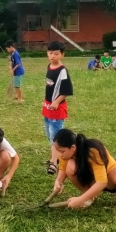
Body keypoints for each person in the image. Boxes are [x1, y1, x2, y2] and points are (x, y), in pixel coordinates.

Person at [51, 129, 116, 211]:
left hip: (109, 179)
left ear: (73, 147)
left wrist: (80, 200)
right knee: (70, 165)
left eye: (62, 151)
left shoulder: (93, 151)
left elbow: (102, 182)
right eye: (57, 150)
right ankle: (89, 197)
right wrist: (58, 181)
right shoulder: (66, 153)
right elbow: (63, 167)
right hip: (92, 180)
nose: (59, 154)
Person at [42, 40, 74, 175]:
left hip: (57, 109)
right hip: (47, 107)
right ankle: (56, 157)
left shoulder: (63, 71)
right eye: (50, 53)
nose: (52, 56)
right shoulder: (49, 67)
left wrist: (56, 102)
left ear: (62, 55)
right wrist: (47, 102)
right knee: (49, 135)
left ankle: (54, 163)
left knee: (56, 137)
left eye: (56, 53)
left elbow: (67, 90)